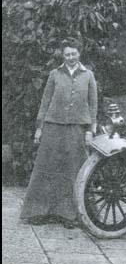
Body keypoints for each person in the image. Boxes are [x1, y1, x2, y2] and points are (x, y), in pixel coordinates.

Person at [20, 37, 98, 229]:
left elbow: (94, 105)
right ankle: (39, 211)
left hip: (77, 128)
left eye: (74, 53)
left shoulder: (88, 75)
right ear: (62, 56)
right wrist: (39, 128)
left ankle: (70, 215)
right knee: (46, 168)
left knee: (74, 170)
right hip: (53, 126)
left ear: (79, 53)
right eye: (67, 54)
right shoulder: (54, 74)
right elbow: (45, 102)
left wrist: (90, 130)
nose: (71, 57)